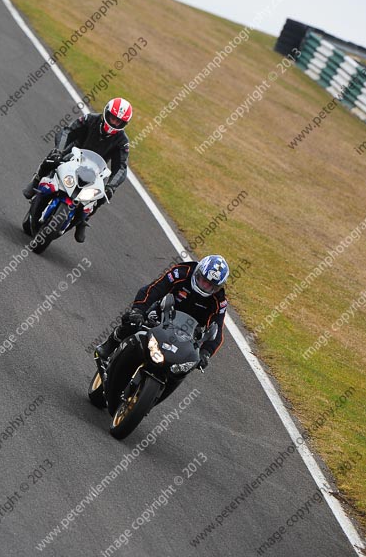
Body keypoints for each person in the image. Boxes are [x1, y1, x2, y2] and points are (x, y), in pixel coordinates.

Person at [96, 255, 230, 373]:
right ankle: (111, 344)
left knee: (188, 363)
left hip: (188, 333)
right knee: (133, 321)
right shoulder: (181, 272)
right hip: (162, 314)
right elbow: (153, 289)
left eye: (210, 285)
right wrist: (138, 310)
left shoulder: (219, 301)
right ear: (198, 273)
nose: (205, 286)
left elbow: (217, 330)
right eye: (203, 280)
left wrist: (206, 353)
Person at [23, 97, 132, 242]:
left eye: (118, 121)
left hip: (95, 171)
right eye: (112, 118)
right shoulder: (90, 119)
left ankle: (83, 220)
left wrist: (111, 185)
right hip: (72, 155)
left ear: (124, 123)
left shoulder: (122, 141)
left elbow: (122, 167)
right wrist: (59, 150)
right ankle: (36, 182)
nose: (114, 123)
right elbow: (67, 131)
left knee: (106, 193)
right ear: (106, 113)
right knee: (52, 157)